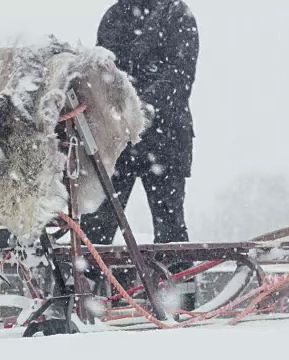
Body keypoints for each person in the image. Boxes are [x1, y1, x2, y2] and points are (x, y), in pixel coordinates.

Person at [80, 0, 199, 310]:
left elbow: (179, 77)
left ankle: (180, 301)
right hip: (119, 140)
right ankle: (87, 294)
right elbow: (101, 73)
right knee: (98, 221)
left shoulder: (177, 14)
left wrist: (142, 106)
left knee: (169, 224)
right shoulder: (115, 16)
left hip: (166, 139)